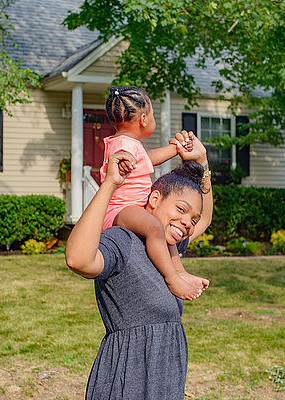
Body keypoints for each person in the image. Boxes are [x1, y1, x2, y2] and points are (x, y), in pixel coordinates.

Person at [65, 136, 212, 399]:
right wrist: (110, 183)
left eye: (192, 219)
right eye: (181, 209)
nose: (188, 223)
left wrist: (201, 163)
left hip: (164, 378)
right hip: (128, 378)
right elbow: (78, 260)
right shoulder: (123, 240)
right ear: (154, 199)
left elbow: (206, 219)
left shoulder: (166, 248)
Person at [100, 86, 208, 300]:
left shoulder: (130, 144)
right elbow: (125, 157)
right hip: (121, 210)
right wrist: (123, 161)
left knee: (166, 234)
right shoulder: (122, 144)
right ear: (143, 118)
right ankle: (172, 278)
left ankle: (180, 272)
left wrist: (176, 149)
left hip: (133, 208)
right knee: (154, 226)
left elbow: (146, 159)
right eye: (152, 114)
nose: (153, 119)